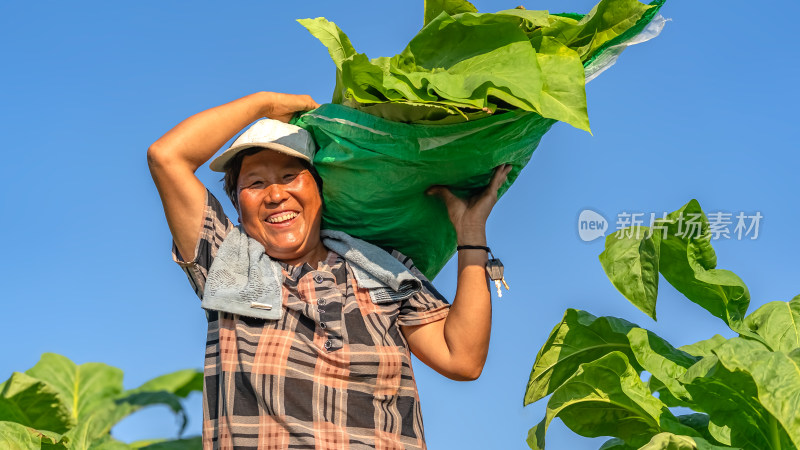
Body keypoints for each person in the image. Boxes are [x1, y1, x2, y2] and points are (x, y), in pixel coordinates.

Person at [147, 91, 511, 449]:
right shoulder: (232, 264)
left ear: (320, 192)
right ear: (238, 208)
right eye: (255, 183)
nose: (275, 195)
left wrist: (471, 233)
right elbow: (167, 157)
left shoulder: (381, 269)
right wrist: (266, 105)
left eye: (290, 176)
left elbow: (462, 359)